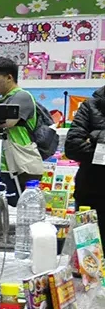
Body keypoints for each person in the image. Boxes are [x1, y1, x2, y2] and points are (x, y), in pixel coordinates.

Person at [0, 57, 46, 201]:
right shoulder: (3, 99)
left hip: (13, 166)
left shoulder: (22, 96)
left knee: (10, 207)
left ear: (9, 77)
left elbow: (6, 123)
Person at [65, 85, 105, 220]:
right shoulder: (90, 105)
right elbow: (72, 147)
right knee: (87, 234)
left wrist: (95, 137)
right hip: (90, 195)